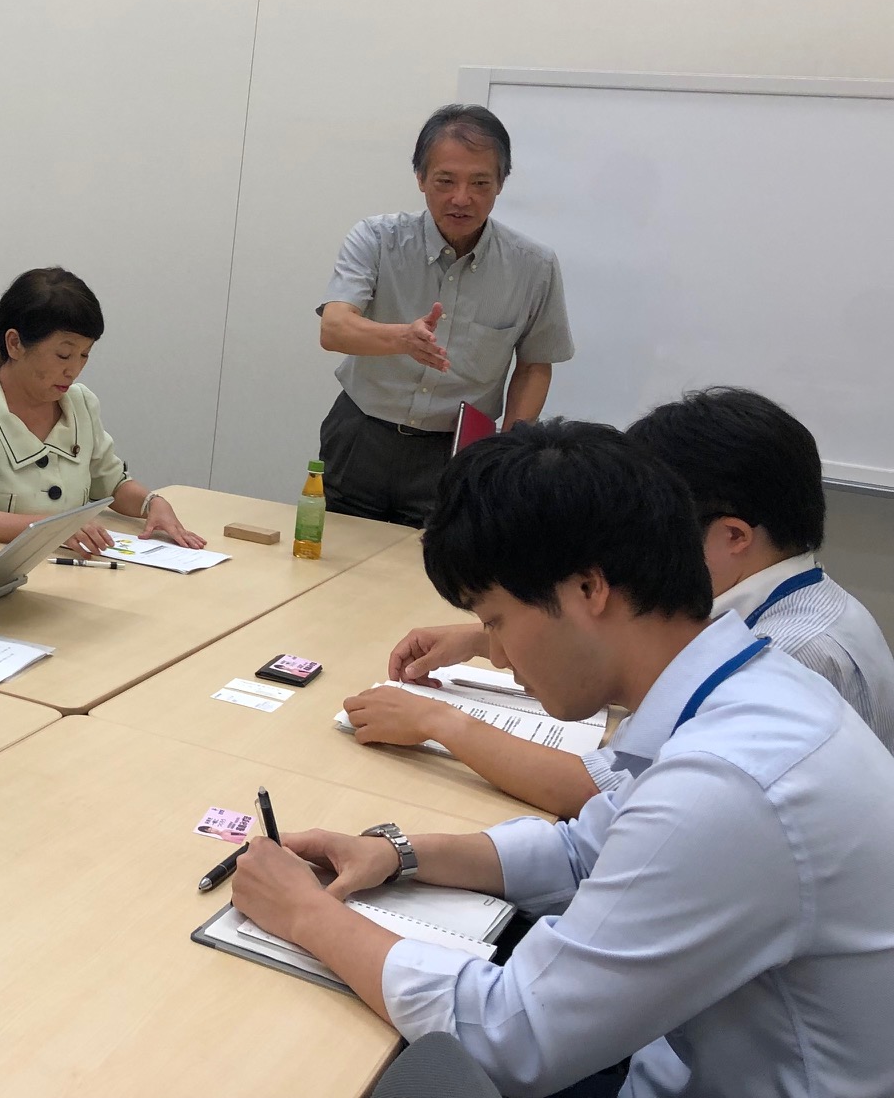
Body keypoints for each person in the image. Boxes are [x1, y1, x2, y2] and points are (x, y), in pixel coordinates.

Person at [230, 421, 894, 1097]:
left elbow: (514, 1038)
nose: (498, 655)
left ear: (588, 589)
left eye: (495, 620)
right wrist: (398, 853)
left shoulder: (730, 781)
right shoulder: (740, 688)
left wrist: (307, 914)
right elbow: (584, 851)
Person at [357, 387, 894, 816]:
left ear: (733, 535)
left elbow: (608, 792)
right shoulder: (791, 604)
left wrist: (441, 723)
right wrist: (490, 635)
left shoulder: (797, 653)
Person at [316, 104, 572, 526]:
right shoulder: (376, 239)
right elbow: (334, 328)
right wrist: (403, 339)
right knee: (337, 553)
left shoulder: (534, 266)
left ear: (501, 183)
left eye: (480, 183)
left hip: (456, 451)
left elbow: (534, 364)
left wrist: (511, 450)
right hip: (362, 435)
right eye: (445, 181)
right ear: (420, 178)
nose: (461, 198)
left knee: (438, 562)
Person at [0, 267, 202, 557]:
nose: (73, 369)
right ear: (15, 343)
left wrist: (152, 504)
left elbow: (112, 483)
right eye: (63, 355)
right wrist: (56, 528)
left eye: (84, 354)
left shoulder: (81, 403)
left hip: (43, 565)